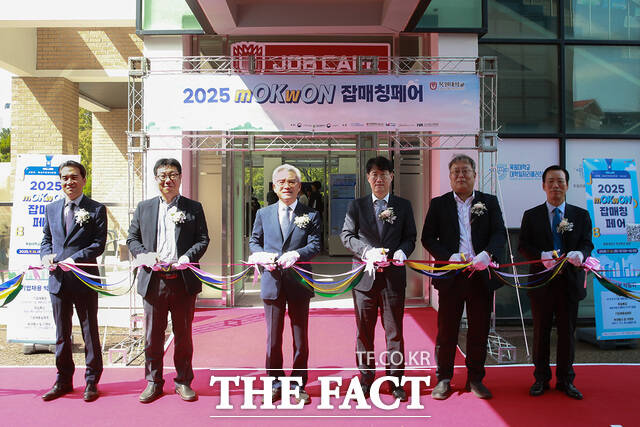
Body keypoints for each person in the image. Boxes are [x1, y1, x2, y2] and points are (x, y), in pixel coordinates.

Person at [421, 154, 506, 400]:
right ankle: (444, 378)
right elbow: (428, 238)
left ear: (474, 175)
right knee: (447, 330)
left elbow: (499, 233)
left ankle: (475, 379)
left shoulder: (489, 201)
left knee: (479, 330)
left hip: (480, 276)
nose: (461, 175)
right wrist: (448, 256)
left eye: (465, 171)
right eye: (456, 171)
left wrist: (487, 254)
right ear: (450, 177)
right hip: (451, 276)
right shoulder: (439, 204)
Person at [127, 158, 210, 403]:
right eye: (163, 175)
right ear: (156, 179)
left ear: (181, 177)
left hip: (183, 280)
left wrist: (187, 257)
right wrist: (145, 255)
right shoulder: (144, 207)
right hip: (154, 281)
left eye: (173, 174)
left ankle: (183, 381)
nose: (168, 180)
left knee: (183, 335)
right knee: (153, 335)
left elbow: (203, 239)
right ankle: (153, 381)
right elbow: (132, 238)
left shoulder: (193, 207)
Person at [340, 156, 416, 401]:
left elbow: (410, 237)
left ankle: (395, 381)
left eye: (383, 174)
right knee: (364, 332)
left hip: (393, 279)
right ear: (367, 178)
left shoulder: (403, 206)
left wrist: (403, 251)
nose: (379, 179)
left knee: (394, 332)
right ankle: (366, 378)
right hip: (364, 279)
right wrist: (366, 252)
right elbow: (346, 235)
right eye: (374, 174)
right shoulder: (356, 206)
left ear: (392, 176)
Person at [248, 164, 322, 405]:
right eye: (281, 182)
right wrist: (260, 255)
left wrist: (297, 254)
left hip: (299, 282)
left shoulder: (310, 214)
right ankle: (275, 382)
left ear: (299, 186)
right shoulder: (263, 213)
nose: (286, 186)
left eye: (291, 182)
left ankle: (299, 383)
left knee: (300, 338)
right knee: (273, 338)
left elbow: (315, 244)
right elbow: (254, 241)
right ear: (274, 186)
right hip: (272, 282)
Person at [518, 165, 593, 400]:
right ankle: (541, 378)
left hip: (569, 283)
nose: (555, 186)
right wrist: (540, 255)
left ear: (567, 185)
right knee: (541, 332)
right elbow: (523, 246)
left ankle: (565, 380)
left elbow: (587, 243)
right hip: (542, 283)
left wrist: (581, 254)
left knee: (567, 334)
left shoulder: (580, 215)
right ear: (543, 186)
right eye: (550, 181)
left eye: (560, 181)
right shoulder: (531, 215)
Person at [40, 160, 107, 402]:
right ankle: (63, 380)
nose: (69, 182)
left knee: (89, 332)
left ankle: (91, 380)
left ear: (84, 180)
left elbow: (98, 244)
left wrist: (74, 260)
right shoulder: (51, 208)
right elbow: (46, 239)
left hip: (84, 280)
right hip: (58, 280)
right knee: (62, 333)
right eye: (65, 178)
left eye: (74, 177)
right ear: (60, 181)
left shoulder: (96, 209)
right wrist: (45, 255)